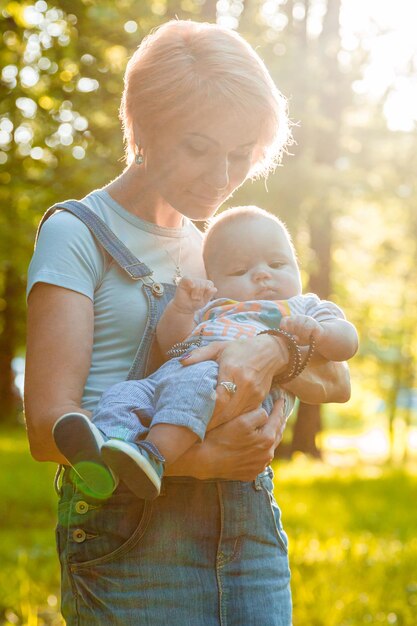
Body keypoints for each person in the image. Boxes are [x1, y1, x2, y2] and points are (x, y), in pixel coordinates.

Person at [24, 19, 351, 626]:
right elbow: (47, 430)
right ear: (143, 128)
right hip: (131, 540)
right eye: (199, 148)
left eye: (239, 155)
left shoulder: (218, 251)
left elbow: (336, 383)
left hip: (247, 535)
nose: (222, 177)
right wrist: (197, 460)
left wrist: (277, 350)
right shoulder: (77, 233)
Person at [52, 206, 358, 501]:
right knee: (124, 394)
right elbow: (174, 345)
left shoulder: (304, 307)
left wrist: (320, 332)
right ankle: (109, 450)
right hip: (171, 377)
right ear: (215, 282)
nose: (263, 275)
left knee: (196, 380)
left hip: (224, 385)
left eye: (277, 265)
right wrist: (182, 309)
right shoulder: (213, 307)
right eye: (241, 270)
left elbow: (347, 343)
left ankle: (153, 456)